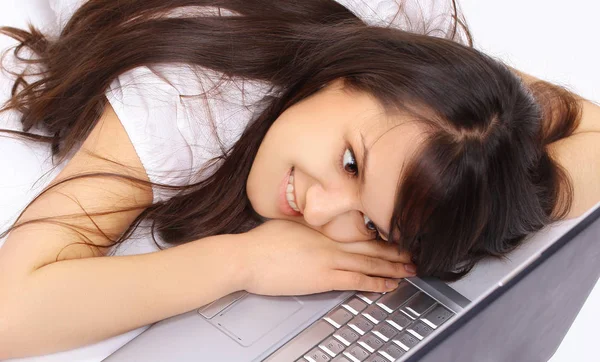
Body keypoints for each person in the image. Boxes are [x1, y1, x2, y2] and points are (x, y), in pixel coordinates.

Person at [0, 0, 598, 359]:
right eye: (350, 163)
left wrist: (479, 214)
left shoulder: (437, 93)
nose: (319, 211)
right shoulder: (190, 100)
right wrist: (242, 262)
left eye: (368, 222)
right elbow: (10, 313)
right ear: (354, 72)